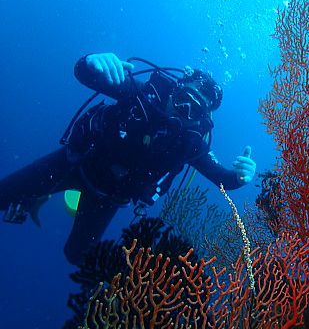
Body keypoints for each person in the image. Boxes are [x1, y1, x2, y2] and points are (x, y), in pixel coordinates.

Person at [0, 53, 256, 265]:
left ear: (202, 118)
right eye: (183, 101)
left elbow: (225, 179)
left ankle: (45, 197)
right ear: (175, 90)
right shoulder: (140, 94)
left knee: (76, 256)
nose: (184, 112)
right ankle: (37, 196)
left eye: (195, 110)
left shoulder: (191, 143)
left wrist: (241, 175)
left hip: (107, 198)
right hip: (74, 165)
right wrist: (92, 62)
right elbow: (83, 74)